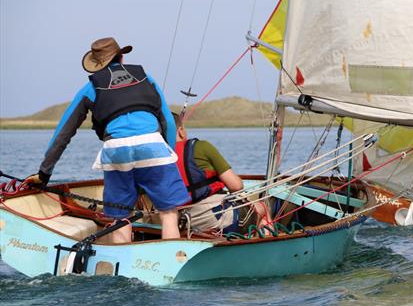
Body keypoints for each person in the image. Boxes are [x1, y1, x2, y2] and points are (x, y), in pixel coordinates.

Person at [25, 37, 189, 242]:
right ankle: (169, 260)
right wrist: (168, 154)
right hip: (153, 146)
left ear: (97, 65)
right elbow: (168, 122)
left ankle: (123, 271)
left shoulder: (90, 88)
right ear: (121, 57)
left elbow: (62, 134)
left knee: (120, 217)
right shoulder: (146, 78)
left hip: (115, 150)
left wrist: (44, 173)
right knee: (168, 213)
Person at [173, 113, 269, 233]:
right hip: (212, 218)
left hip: (175, 221)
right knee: (263, 208)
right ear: (181, 131)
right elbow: (236, 186)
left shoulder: (156, 157)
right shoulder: (201, 147)